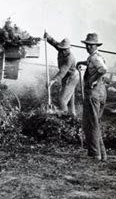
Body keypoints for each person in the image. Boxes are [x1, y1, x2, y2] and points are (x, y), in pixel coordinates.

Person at [76, 33, 108, 161]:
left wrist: (92, 80)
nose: (88, 47)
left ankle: (95, 154)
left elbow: (102, 69)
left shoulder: (95, 58)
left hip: (94, 93)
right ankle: (102, 154)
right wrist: (81, 62)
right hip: (100, 92)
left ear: (96, 45)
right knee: (95, 122)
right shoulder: (94, 57)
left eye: (91, 45)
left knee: (91, 123)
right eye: (87, 45)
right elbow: (92, 63)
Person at [43, 31, 79, 115]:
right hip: (66, 76)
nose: (62, 51)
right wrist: (47, 37)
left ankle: (63, 114)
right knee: (69, 98)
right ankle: (72, 115)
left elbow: (62, 72)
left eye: (64, 50)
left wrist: (52, 81)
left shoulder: (69, 58)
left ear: (68, 49)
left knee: (62, 99)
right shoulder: (61, 49)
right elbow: (54, 42)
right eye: (61, 49)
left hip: (72, 77)